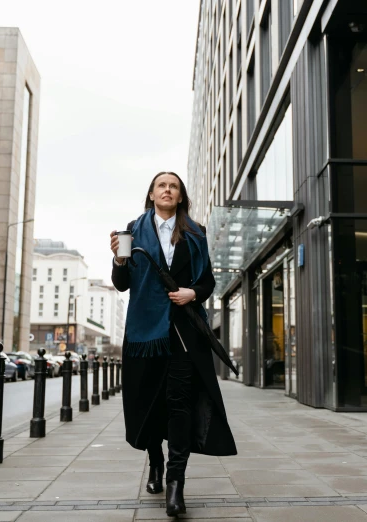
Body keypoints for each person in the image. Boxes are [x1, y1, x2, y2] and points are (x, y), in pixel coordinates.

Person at [110, 171, 237, 517]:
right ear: (151, 194)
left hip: (183, 333)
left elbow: (208, 281)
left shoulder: (196, 233)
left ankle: (175, 482)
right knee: (150, 401)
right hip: (144, 333)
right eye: (161, 185)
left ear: (180, 197)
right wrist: (119, 260)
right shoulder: (132, 231)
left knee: (179, 403)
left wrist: (192, 292)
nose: (167, 190)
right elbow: (121, 284)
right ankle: (155, 460)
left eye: (174, 186)